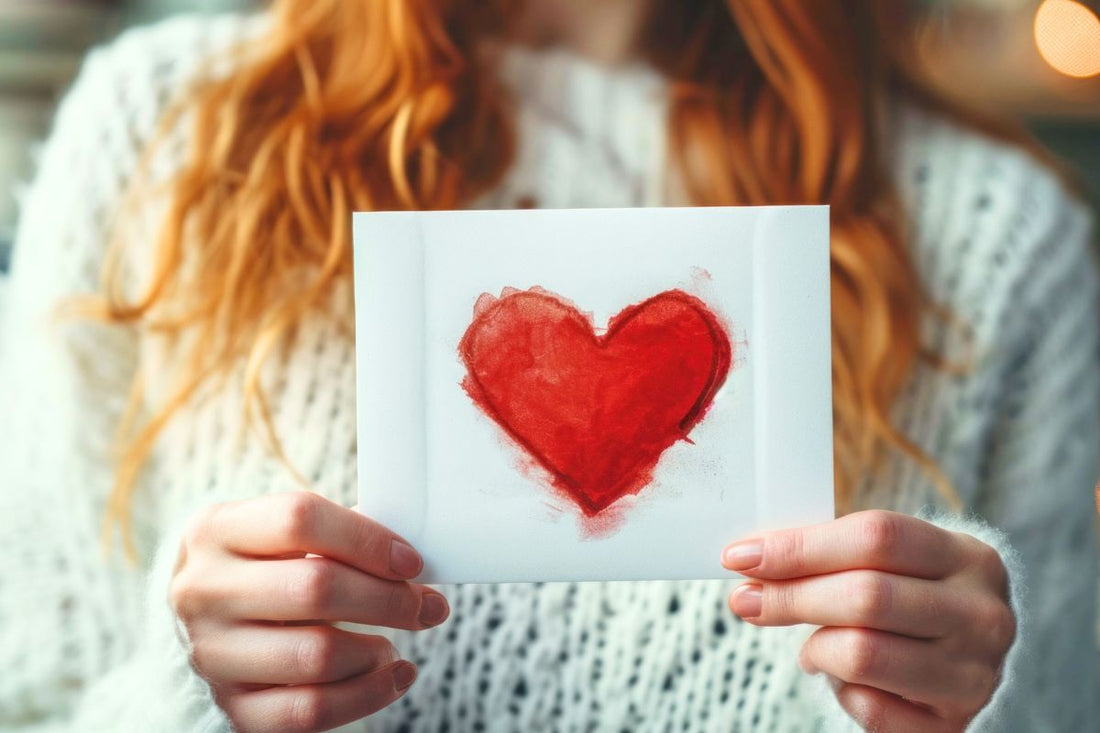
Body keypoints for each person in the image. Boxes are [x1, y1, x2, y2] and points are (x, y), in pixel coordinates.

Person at [1, 1, 1097, 731]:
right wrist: (186, 698)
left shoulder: (992, 232)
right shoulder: (171, 133)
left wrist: (972, 699)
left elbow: (1050, 704)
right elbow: (34, 691)